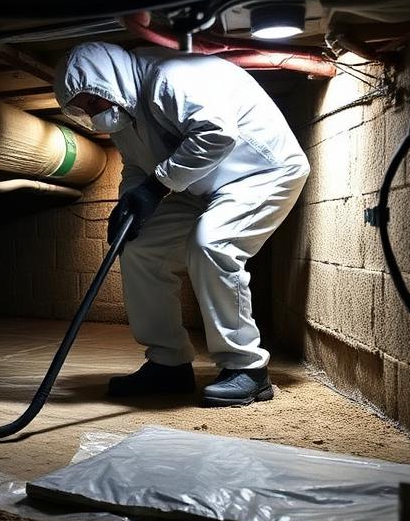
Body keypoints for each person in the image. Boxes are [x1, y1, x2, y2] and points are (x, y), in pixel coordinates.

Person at [54, 42, 310, 407]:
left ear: (107, 80)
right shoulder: (124, 115)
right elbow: (138, 167)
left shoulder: (168, 78)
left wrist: (156, 187)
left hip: (262, 171)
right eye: (83, 109)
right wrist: (130, 203)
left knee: (212, 244)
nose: (93, 112)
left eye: (93, 100)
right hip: (199, 185)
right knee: (140, 246)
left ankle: (248, 369)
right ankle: (167, 364)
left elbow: (216, 134)